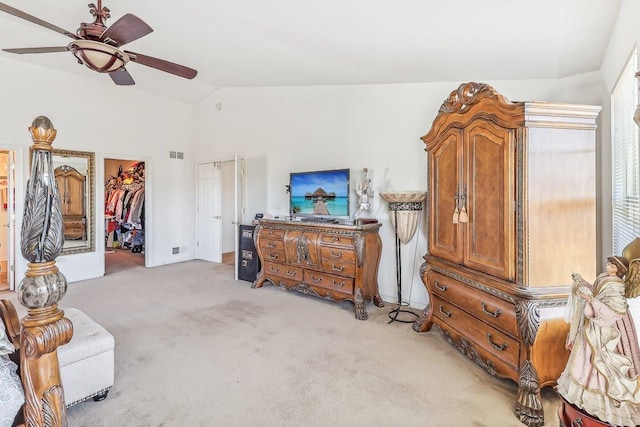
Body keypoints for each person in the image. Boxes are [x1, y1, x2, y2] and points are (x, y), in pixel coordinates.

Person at [556, 255, 640, 426]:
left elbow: (614, 311)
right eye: (609, 263)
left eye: (613, 265)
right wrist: (582, 283)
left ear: (620, 270)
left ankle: (601, 398)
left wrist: (590, 300)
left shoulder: (617, 286)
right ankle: (581, 391)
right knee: (586, 359)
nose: (609, 265)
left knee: (603, 361)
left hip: (608, 328)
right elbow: (594, 290)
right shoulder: (603, 277)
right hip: (594, 326)